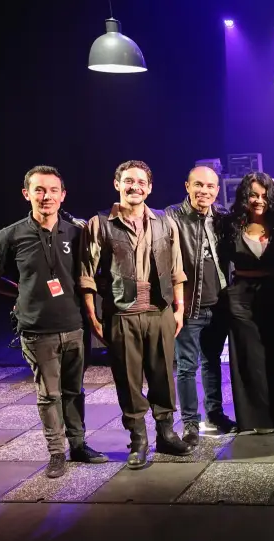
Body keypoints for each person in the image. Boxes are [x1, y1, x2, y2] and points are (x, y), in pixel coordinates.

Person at [0, 166, 107, 478]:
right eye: (38, 190)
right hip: (37, 330)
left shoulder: (77, 233)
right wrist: (19, 292)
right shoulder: (10, 234)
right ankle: (56, 453)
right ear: (26, 194)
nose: (46, 196)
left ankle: (78, 445)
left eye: (52, 190)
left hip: (75, 325)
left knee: (74, 390)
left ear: (63, 195)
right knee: (48, 395)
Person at [80, 160, 193, 470]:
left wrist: (179, 308)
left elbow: (176, 269)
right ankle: (138, 440)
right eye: (128, 181)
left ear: (150, 187)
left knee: (163, 377)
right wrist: (92, 315)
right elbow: (87, 274)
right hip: (121, 313)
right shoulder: (99, 223)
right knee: (128, 380)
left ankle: (167, 434)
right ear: (117, 184)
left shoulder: (164, 223)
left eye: (141, 182)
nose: (135, 187)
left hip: (160, 311)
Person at [165, 166, 237, 445]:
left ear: (217, 190)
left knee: (212, 362)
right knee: (185, 366)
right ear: (187, 186)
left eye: (210, 186)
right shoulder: (172, 216)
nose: (204, 191)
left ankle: (215, 414)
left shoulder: (221, 217)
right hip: (189, 305)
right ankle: (191, 424)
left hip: (218, 304)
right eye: (198, 185)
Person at [222, 172, 274, 434]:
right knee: (249, 359)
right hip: (241, 297)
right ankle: (254, 420)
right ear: (244, 196)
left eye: (264, 195)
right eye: (253, 195)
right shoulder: (231, 225)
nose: (259, 200)